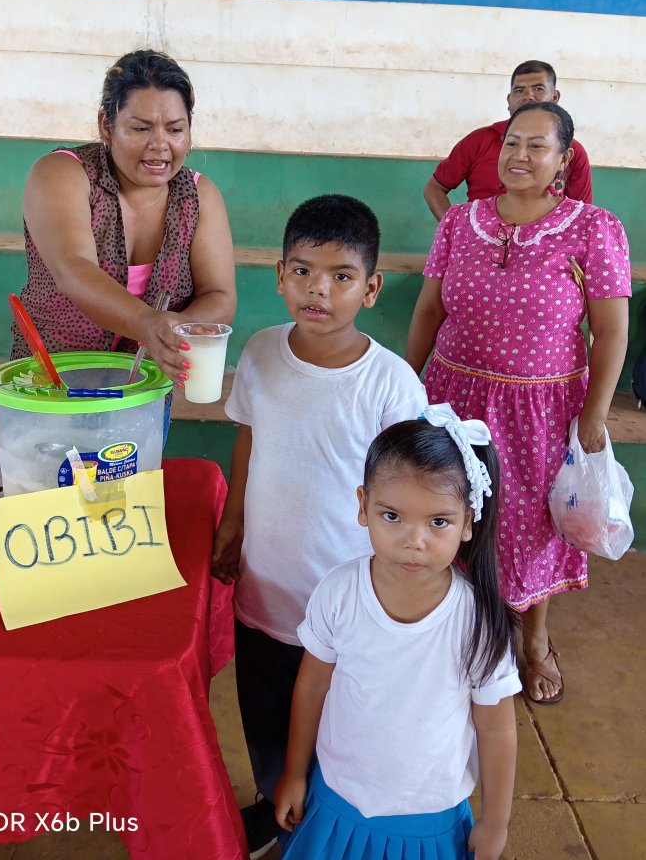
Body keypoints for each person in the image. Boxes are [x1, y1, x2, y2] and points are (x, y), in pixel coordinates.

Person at [212, 195, 427, 858]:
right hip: (264, 588)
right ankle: (276, 806)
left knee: (339, 730)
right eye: (303, 272)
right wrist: (233, 523)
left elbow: (408, 499)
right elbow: (249, 440)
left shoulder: (391, 385)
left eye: (340, 276)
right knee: (267, 719)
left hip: (347, 604)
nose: (318, 290)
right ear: (279, 276)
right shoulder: (260, 352)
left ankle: (326, 827)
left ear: (370, 289)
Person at [407, 102, 630, 705]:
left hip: (542, 407)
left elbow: (611, 331)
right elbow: (430, 311)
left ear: (563, 160)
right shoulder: (459, 223)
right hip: (455, 399)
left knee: (531, 525)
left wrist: (593, 418)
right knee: (452, 514)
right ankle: (449, 632)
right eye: (511, 142)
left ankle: (534, 640)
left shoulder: (592, 227)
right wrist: (408, 386)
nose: (520, 155)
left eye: (537, 145)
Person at [275, 409, 520, 860]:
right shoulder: (339, 592)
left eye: (438, 522)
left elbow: (497, 727)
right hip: (337, 799)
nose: (414, 539)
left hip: (430, 820)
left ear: (468, 522)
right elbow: (312, 684)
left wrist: (494, 823)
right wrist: (294, 773)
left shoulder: (478, 621)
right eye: (392, 515)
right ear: (363, 506)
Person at [10, 49, 236, 388]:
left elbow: (220, 295)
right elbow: (73, 269)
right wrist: (148, 323)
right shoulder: (62, 173)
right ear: (107, 125)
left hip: (142, 390)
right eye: (141, 128)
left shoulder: (199, 197)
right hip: (52, 380)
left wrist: (173, 334)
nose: (160, 145)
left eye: (175, 129)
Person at [423, 60, 593, 221]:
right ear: (509, 100)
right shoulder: (478, 141)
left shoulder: (572, 151)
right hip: (482, 247)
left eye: (538, 89)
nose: (528, 96)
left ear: (555, 97)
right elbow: (434, 188)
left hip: (545, 249)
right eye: (519, 90)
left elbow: (580, 214)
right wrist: (456, 231)